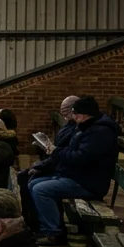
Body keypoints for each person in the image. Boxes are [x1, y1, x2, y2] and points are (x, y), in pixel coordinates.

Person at [26, 96, 121, 245]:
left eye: (75, 114)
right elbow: (74, 152)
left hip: (88, 182)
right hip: (77, 176)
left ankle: (53, 233)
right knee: (34, 183)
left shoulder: (100, 132)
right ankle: (49, 227)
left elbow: (81, 157)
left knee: (41, 189)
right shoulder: (87, 127)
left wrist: (55, 151)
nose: (73, 118)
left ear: (84, 114)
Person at [18, 96, 78, 227]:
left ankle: (48, 228)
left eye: (66, 112)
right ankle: (34, 222)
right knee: (28, 178)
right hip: (60, 166)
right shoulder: (71, 126)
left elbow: (64, 155)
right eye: (63, 113)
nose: (65, 117)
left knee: (37, 185)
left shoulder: (79, 129)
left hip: (69, 173)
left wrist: (41, 166)